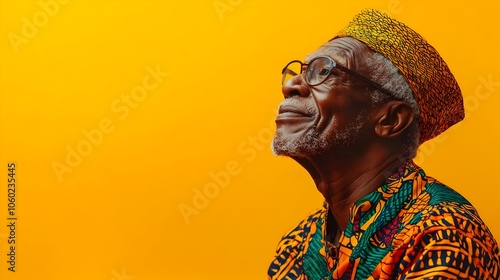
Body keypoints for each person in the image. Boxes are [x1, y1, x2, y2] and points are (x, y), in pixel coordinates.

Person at [268, 9, 499, 280]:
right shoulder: (298, 245)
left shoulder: (443, 235)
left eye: (324, 71)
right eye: (301, 71)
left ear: (390, 119)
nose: (291, 86)